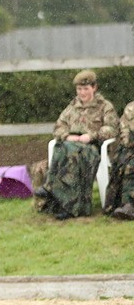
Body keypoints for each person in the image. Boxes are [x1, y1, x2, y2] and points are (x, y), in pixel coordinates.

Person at [34, 69, 118, 219]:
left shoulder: (104, 106)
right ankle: (67, 205)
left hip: (93, 148)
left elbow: (112, 129)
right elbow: (59, 126)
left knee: (68, 152)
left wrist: (91, 136)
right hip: (71, 145)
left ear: (94, 88)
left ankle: (52, 189)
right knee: (62, 147)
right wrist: (67, 135)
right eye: (79, 89)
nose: (82, 93)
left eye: (86, 89)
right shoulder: (72, 107)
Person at [104, 100, 134, 219]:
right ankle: (124, 204)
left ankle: (129, 205)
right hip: (131, 148)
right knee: (124, 161)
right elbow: (124, 135)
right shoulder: (131, 109)